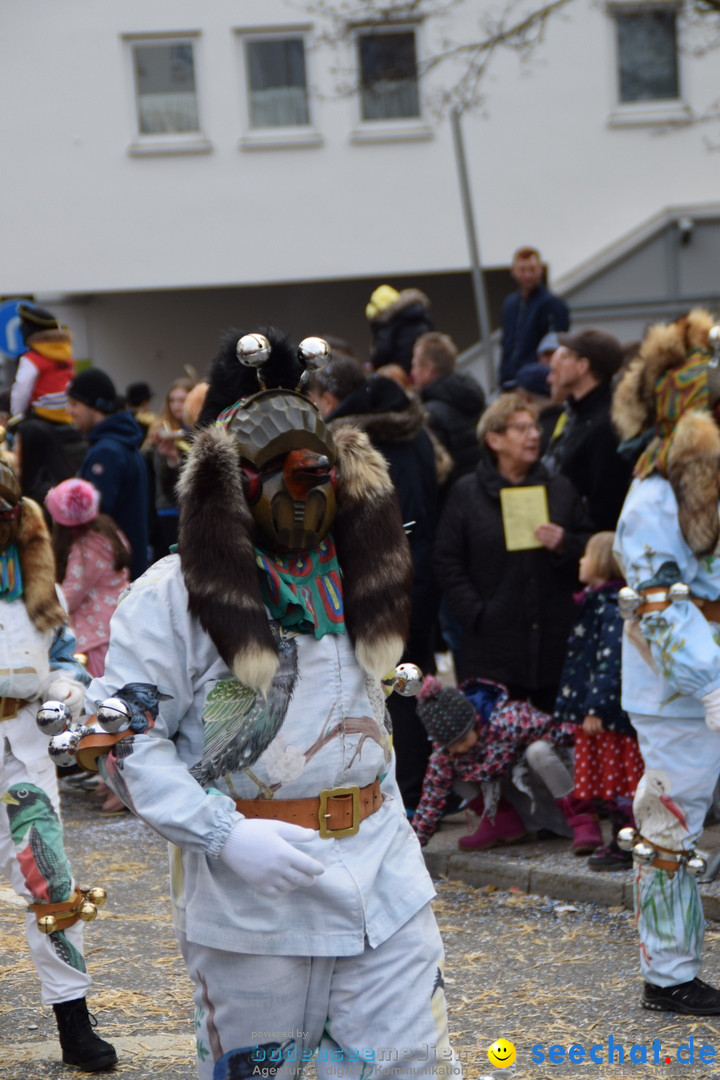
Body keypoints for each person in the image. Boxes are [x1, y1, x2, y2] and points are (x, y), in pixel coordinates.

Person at [75, 328, 461, 1078]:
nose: (301, 487)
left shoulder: (363, 566)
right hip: (253, 906)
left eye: (314, 467)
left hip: (385, 879)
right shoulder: (172, 595)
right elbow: (121, 740)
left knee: (410, 1065)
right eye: (272, 468)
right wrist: (220, 833)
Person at [612, 308, 720, 1016]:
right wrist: (709, 680)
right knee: (672, 825)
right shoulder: (653, 500)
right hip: (681, 692)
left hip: (702, 680)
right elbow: (662, 605)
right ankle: (669, 973)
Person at [0, 458, 116, 1071]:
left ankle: (73, 1022)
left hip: (22, 749)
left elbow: (67, 654)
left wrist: (69, 688)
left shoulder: (32, 571)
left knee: (49, 879)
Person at [307, 359, 445, 812]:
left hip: (378, 577)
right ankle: (429, 788)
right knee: (416, 679)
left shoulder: (351, 443)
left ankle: (400, 792)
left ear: (330, 399)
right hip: (423, 572)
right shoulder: (418, 435)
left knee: (382, 683)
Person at [434, 393, 593, 712]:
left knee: (555, 750)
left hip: (555, 643)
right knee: (498, 750)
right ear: (494, 439)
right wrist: (477, 613)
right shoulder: (467, 493)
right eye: (521, 428)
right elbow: (446, 559)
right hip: (492, 649)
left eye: (534, 427)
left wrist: (565, 544)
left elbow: (590, 549)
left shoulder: (559, 487)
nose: (534, 435)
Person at [554, 531, 644, 866]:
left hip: (607, 715)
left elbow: (610, 663)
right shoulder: (595, 603)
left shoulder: (609, 608)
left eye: (587, 555)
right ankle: (620, 838)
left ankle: (628, 839)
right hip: (598, 712)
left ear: (603, 562)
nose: (580, 560)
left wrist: (595, 708)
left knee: (621, 777)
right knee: (611, 778)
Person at [412, 676, 580, 850]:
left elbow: (562, 734)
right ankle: (501, 820)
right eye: (451, 745)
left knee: (538, 750)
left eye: (463, 739)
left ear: (474, 722)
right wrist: (411, 845)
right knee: (442, 767)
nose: (459, 748)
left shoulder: (509, 720)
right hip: (515, 804)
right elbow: (431, 798)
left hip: (546, 795)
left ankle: (582, 819)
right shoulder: (446, 752)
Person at [544, 328, 632, 531]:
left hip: (589, 544)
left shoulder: (605, 424)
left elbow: (605, 505)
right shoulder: (576, 414)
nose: (555, 364)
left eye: (565, 356)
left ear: (583, 367)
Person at [66, 368, 149, 580]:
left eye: (74, 404)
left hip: (112, 574)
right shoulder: (124, 443)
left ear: (96, 406)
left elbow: (93, 514)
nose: (69, 411)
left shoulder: (107, 451)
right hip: (128, 568)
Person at [45, 478, 130, 680]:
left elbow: (70, 596)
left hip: (96, 634)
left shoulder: (86, 549)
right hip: (117, 619)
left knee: (97, 688)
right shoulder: (108, 532)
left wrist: (45, 607)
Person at [410, 331, 486, 484]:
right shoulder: (475, 399)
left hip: (453, 499)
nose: (412, 372)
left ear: (429, 369)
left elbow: (434, 473)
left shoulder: (430, 414)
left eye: (415, 365)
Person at [500, 247, 569, 385]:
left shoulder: (553, 304)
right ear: (513, 271)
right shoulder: (510, 304)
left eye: (532, 269)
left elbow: (555, 346)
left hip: (537, 382)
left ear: (540, 270)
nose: (527, 275)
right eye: (522, 270)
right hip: (509, 380)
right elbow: (506, 343)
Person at [144, 376, 194, 560]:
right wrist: (171, 458)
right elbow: (161, 480)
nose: (176, 405)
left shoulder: (198, 430)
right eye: (172, 400)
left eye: (182, 400)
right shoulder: (162, 431)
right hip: (168, 508)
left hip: (194, 508)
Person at [10, 303, 75, 425]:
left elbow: (22, 389)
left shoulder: (32, 358)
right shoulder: (66, 355)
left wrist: (17, 415)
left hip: (40, 418)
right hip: (67, 417)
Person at [366, 284, 433, 373]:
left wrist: (374, 365)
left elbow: (382, 351)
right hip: (420, 371)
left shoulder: (391, 321)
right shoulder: (422, 317)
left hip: (399, 373)